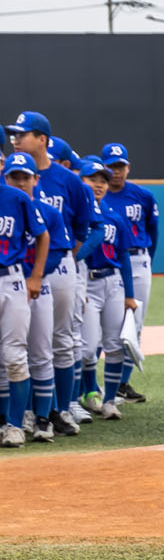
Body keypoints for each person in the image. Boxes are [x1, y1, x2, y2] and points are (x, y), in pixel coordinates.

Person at [9, 111, 98, 433]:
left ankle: (59, 409)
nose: (16, 138)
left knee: (59, 340)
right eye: (14, 135)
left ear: (43, 139)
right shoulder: (11, 173)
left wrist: (61, 259)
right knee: (20, 341)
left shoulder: (70, 181)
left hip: (59, 266)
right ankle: (26, 412)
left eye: (23, 133)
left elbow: (82, 228)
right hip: (18, 268)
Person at [75, 159, 136, 424]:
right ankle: (88, 393)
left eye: (102, 180)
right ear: (81, 182)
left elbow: (123, 256)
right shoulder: (76, 215)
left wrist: (129, 294)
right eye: (92, 179)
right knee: (87, 348)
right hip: (85, 282)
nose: (98, 185)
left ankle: (109, 401)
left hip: (112, 283)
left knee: (113, 345)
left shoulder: (114, 216)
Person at [97, 142, 155, 408]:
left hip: (137, 257)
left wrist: (145, 261)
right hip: (109, 261)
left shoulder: (142, 195)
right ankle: (96, 384)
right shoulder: (97, 196)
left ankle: (122, 383)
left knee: (135, 324)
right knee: (101, 328)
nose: (116, 172)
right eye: (111, 167)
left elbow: (153, 231)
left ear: (128, 167)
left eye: (120, 166)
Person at [0, 152, 50, 447]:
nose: (19, 181)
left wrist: (37, 275)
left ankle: (15, 425)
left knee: (15, 355)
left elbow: (42, 235)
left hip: (11, 279)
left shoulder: (16, 198)